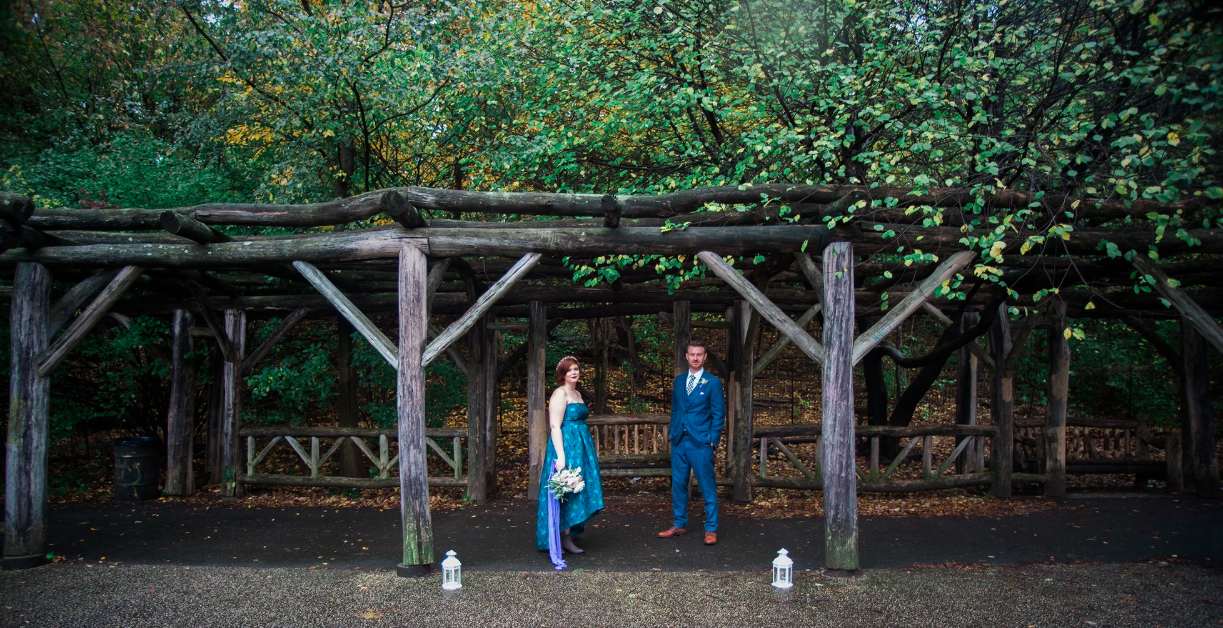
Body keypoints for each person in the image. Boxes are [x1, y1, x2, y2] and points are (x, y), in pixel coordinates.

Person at [658, 338, 725, 545]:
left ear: (705, 357)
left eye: (699, 354)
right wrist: (673, 432)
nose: (695, 358)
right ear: (686, 356)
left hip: (701, 442)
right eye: (692, 354)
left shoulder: (712, 382)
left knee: (706, 485)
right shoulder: (679, 381)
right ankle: (679, 523)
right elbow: (676, 410)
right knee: (678, 483)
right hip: (679, 441)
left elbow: (718, 414)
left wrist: (712, 440)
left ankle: (711, 528)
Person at [535, 356, 604, 557]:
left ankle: (570, 531)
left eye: (576, 369)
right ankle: (563, 536)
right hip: (566, 446)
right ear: (562, 375)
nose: (574, 372)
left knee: (579, 487)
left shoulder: (577, 393)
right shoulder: (560, 393)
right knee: (567, 488)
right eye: (569, 370)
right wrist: (561, 457)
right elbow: (555, 425)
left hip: (581, 446)